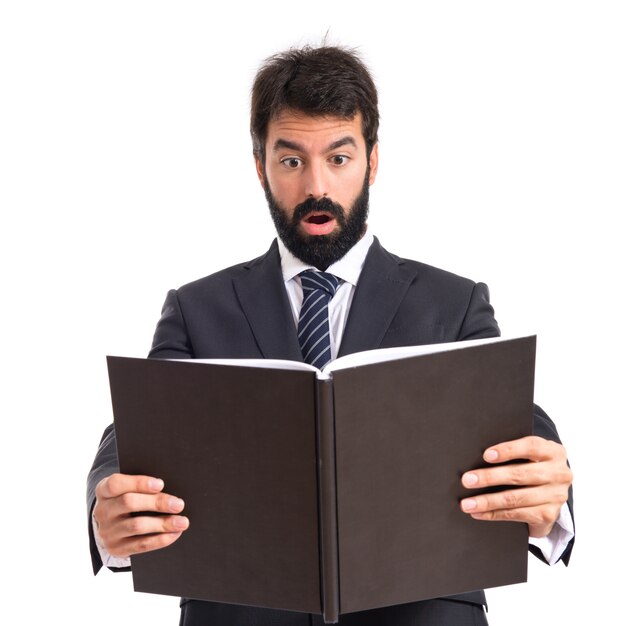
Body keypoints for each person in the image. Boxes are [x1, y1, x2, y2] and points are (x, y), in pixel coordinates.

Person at [87, 44, 574, 626]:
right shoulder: (197, 309)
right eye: (291, 161)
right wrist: (104, 506)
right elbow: (141, 425)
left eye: (338, 158)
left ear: (372, 161)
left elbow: (511, 415)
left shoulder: (455, 302)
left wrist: (553, 493)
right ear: (260, 166)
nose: (317, 186)